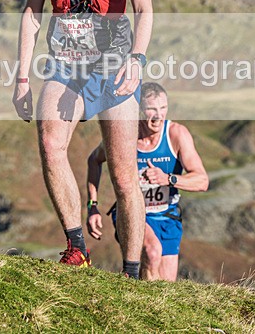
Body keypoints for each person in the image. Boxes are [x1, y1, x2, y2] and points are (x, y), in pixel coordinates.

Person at [12, 0, 153, 278]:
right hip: (65, 61)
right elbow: (32, 12)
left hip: (114, 64)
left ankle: (130, 272)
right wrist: (22, 77)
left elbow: (144, 9)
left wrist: (137, 58)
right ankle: (76, 248)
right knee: (50, 140)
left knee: (124, 176)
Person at [86, 83, 209, 281]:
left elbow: (202, 181)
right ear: (139, 110)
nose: (157, 116)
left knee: (166, 285)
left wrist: (168, 179)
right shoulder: (125, 136)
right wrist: (92, 206)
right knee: (152, 253)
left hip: (167, 215)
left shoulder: (176, 134)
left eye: (163, 108)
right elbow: (94, 160)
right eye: (151, 109)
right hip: (131, 212)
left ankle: (139, 302)